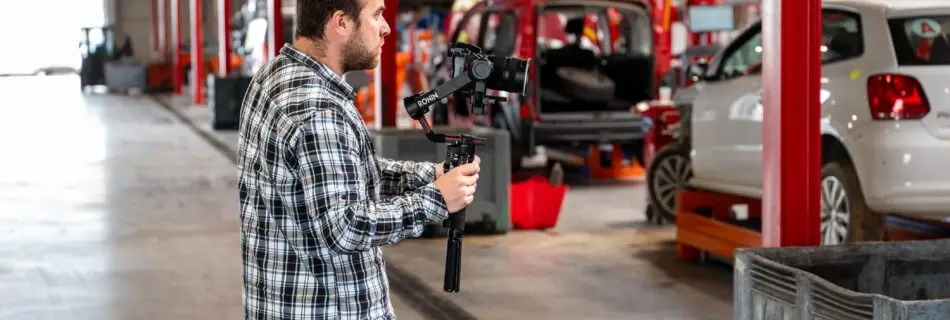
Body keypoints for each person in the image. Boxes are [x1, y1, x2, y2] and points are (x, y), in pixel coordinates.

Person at [235, 0, 481, 318]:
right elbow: (345, 227)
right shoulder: (320, 110)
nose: (386, 27)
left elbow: (340, 173)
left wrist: (428, 174)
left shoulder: (274, 76)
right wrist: (435, 200)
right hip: (330, 309)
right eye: (377, 14)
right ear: (341, 23)